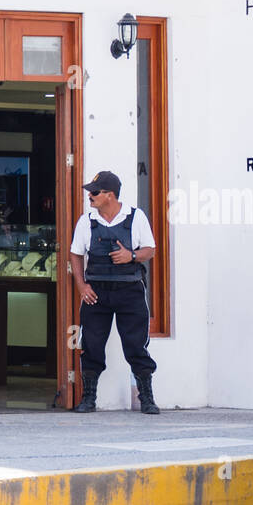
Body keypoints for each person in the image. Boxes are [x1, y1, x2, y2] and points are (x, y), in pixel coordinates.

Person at [69, 169, 159, 414]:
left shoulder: (135, 217)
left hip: (130, 290)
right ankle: (89, 399)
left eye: (95, 192)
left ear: (110, 195)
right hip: (96, 291)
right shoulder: (86, 221)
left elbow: (150, 250)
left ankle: (147, 398)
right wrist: (81, 285)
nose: (90, 196)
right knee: (91, 343)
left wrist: (130, 255)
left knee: (136, 344)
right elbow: (76, 254)